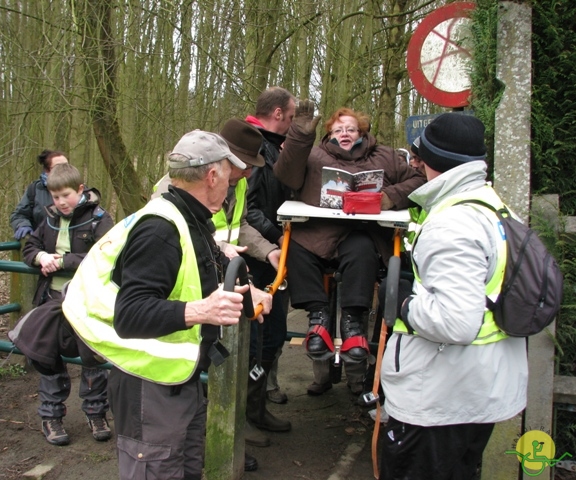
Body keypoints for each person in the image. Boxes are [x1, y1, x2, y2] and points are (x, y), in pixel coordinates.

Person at [62, 130, 273, 480]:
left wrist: (250, 291)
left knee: (187, 469)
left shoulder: (190, 217)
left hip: (179, 378)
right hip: (148, 386)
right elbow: (130, 316)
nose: (235, 184)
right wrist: (201, 311)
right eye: (230, 176)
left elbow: (204, 270)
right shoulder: (161, 228)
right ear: (212, 176)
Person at [379, 113, 528, 479]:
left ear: (431, 162)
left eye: (420, 156)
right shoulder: (492, 206)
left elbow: (456, 322)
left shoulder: (452, 224)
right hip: (479, 387)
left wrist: (402, 303)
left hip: (441, 397)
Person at [152, 118, 291, 449]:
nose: (248, 173)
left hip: (223, 277)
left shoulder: (237, 183)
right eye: (244, 166)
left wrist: (269, 251)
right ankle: (217, 436)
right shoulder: (176, 188)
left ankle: (236, 424)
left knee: (247, 349)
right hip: (196, 285)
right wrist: (218, 248)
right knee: (209, 360)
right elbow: (179, 231)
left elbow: (239, 225)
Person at [273, 102, 425, 395]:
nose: (344, 133)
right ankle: (318, 318)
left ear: (361, 132)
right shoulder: (314, 154)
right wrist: (300, 136)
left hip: (361, 234)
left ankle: (353, 324)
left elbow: (418, 179)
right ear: (329, 132)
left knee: (361, 250)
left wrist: (390, 197)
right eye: (338, 129)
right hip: (318, 231)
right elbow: (287, 175)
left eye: (351, 129)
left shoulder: (385, 156)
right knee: (296, 246)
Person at [21, 163, 114, 446]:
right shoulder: (47, 219)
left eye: (66, 195)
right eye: (55, 196)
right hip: (52, 299)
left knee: (93, 358)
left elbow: (105, 256)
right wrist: (40, 258)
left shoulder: (100, 219)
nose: (60, 202)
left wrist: (62, 261)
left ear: (80, 191)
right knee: (48, 356)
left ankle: (96, 413)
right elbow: (29, 247)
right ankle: (51, 417)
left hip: (87, 301)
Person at [244, 86, 296, 406]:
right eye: (290, 117)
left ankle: (256, 405)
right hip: (259, 256)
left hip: (272, 252)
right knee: (259, 339)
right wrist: (276, 238)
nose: (291, 123)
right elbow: (249, 210)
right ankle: (250, 410)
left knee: (271, 337)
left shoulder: (275, 147)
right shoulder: (253, 148)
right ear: (277, 114)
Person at [10, 149, 69, 239]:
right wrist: (23, 225)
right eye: (58, 167)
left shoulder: (81, 190)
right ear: (47, 170)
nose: (64, 170)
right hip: (41, 246)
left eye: (67, 166)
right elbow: (19, 215)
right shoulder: (35, 190)